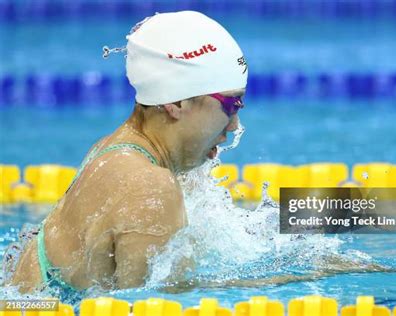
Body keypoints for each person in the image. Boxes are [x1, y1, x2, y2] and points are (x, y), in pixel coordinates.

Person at [8, 10, 248, 293]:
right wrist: (293, 279)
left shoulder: (115, 151)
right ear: (177, 103)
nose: (234, 125)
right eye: (231, 105)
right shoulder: (150, 187)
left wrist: (307, 219)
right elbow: (153, 306)